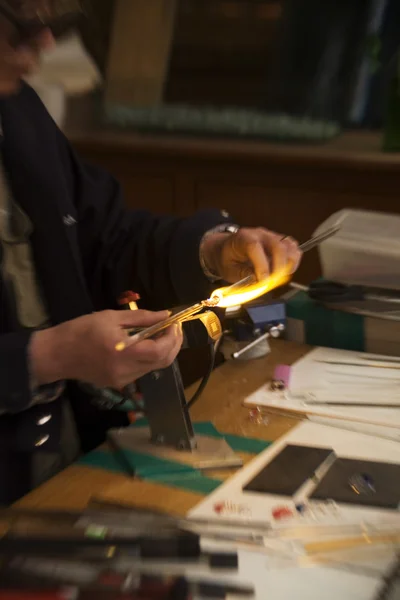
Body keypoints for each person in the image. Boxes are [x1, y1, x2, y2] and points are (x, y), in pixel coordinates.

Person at [0, 1, 302, 505]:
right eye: (27, 26)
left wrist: (211, 252)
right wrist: (43, 358)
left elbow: (105, 237)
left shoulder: (17, 112)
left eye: (57, 23)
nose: (47, 44)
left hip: (66, 466)